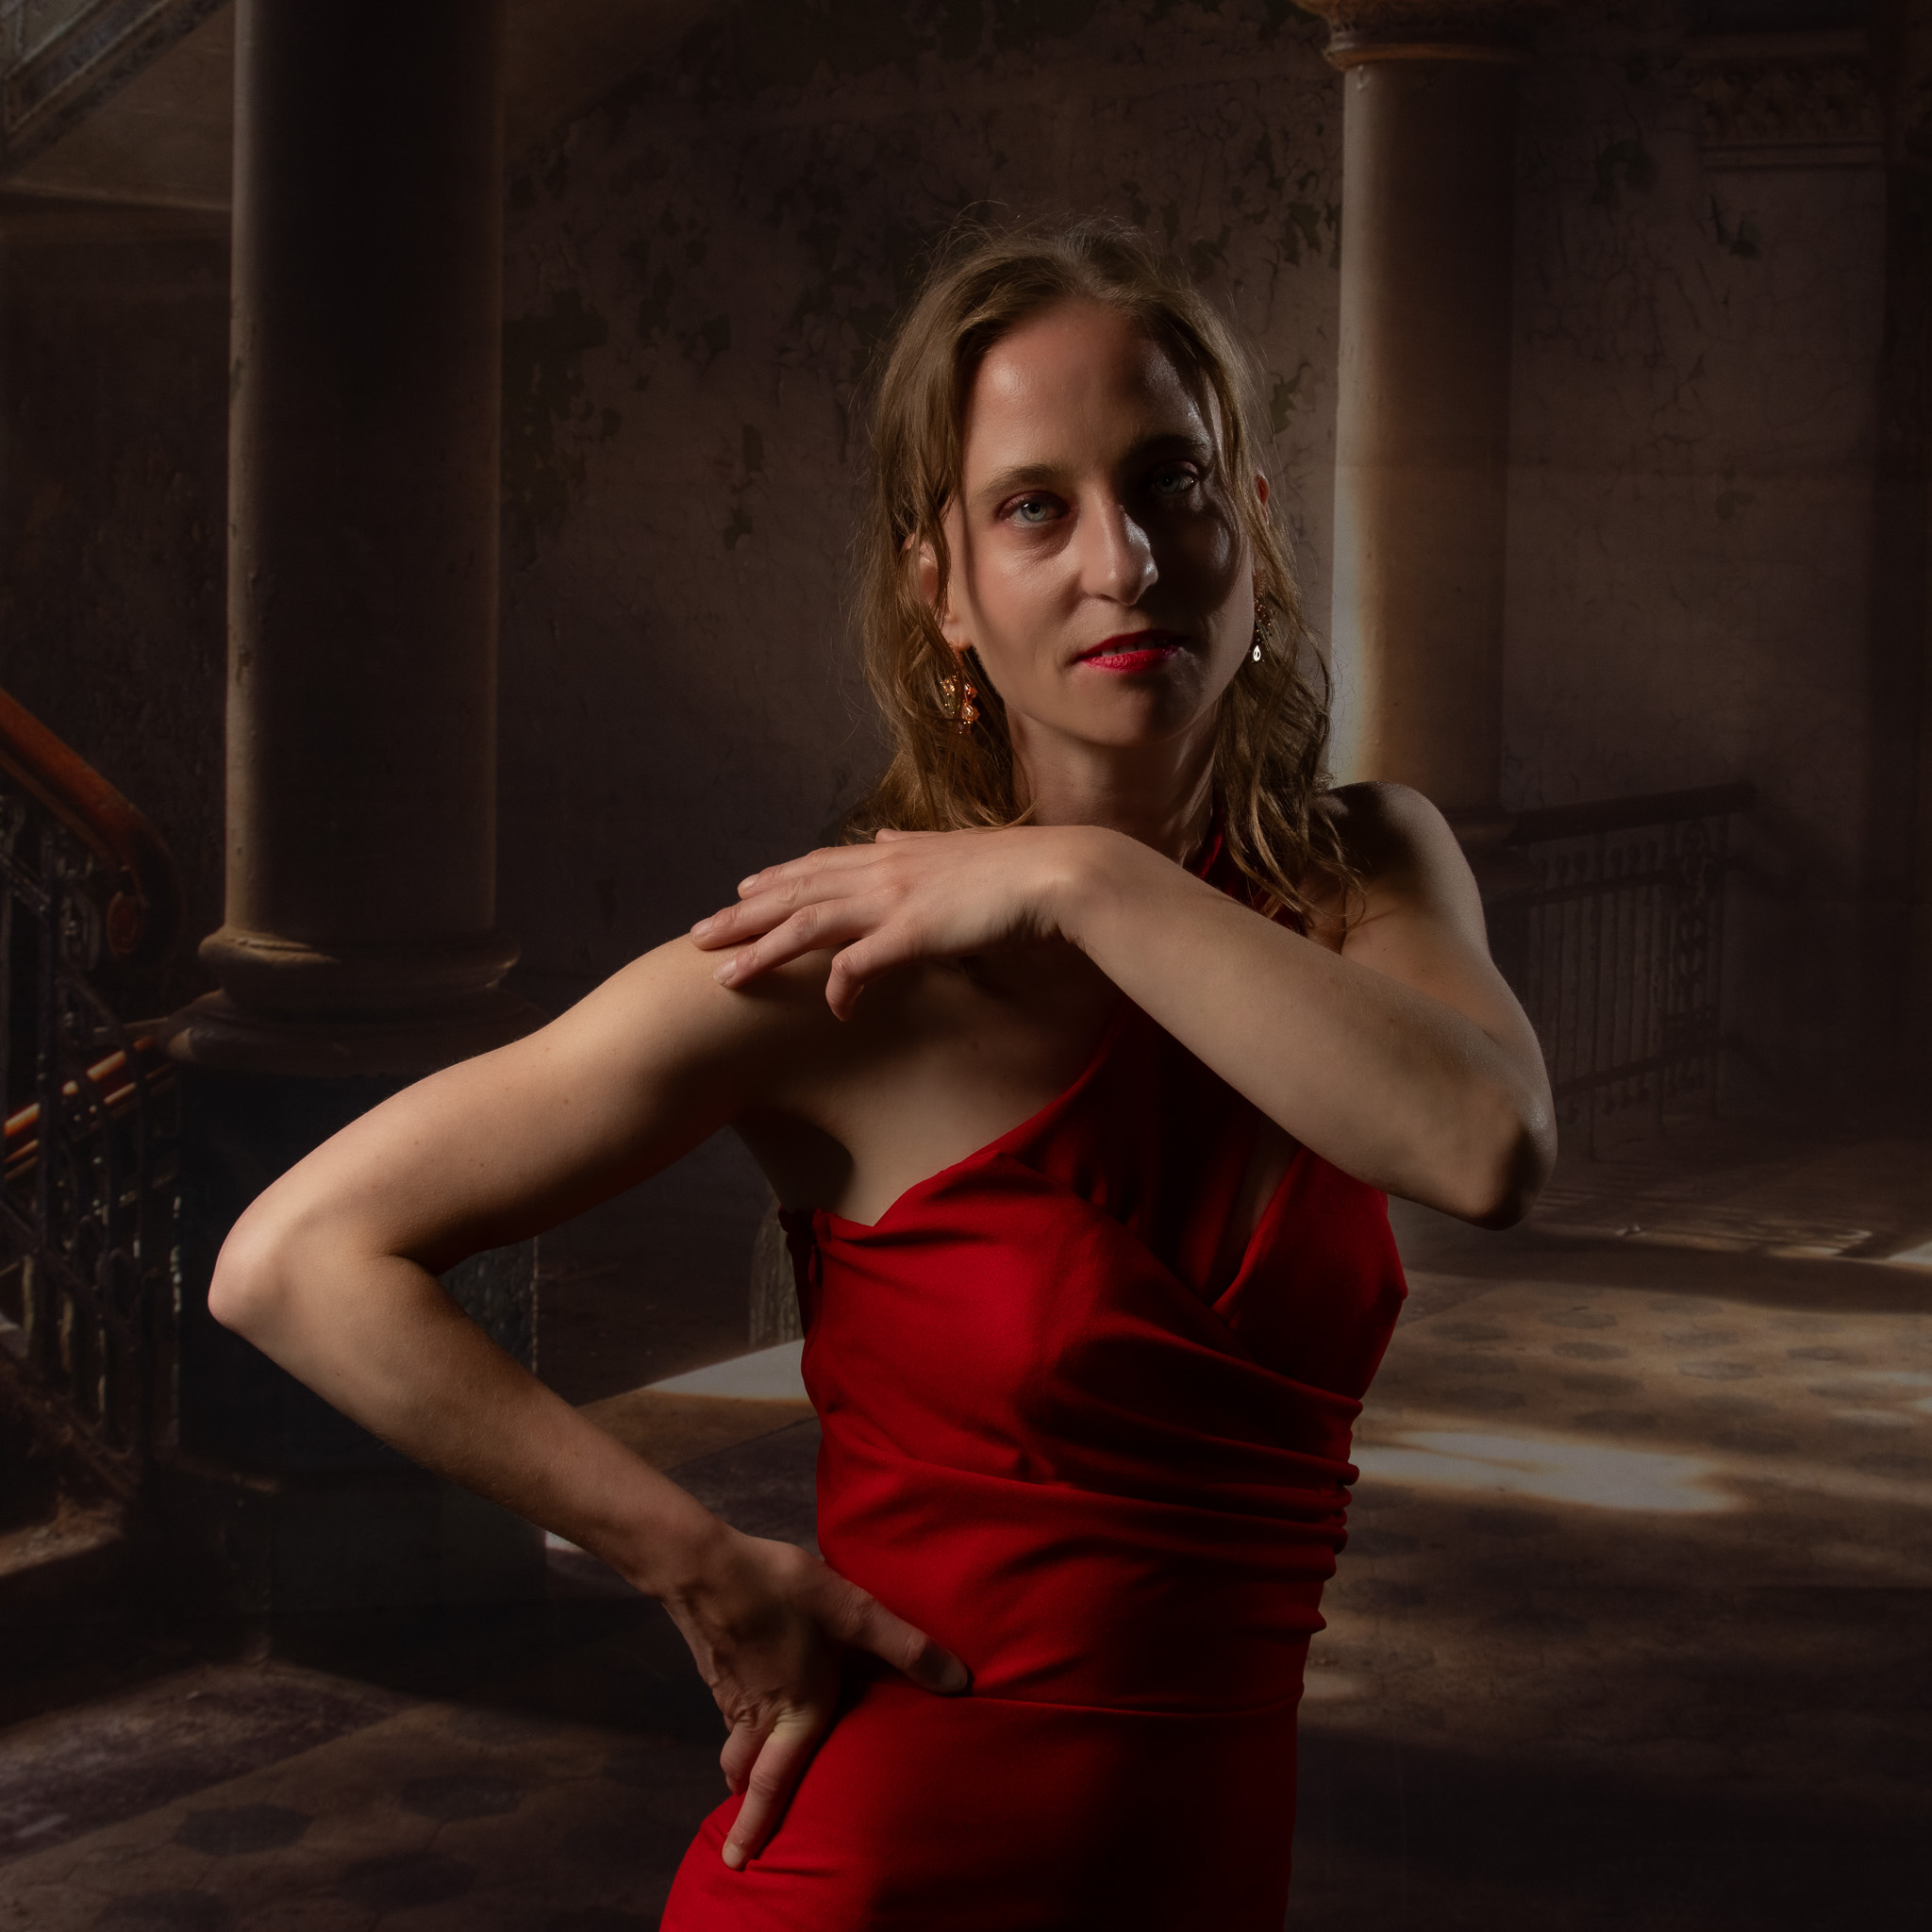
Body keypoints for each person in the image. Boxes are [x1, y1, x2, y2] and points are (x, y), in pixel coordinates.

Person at [210, 220, 1555, 1929]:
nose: (1126, 560)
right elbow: (293, 1260)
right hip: (879, 1880)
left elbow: (1487, 1146)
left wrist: (1082, 878)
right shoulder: (843, 970)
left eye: (1171, 481)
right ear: (944, 592)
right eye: (1034, 508)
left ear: (1254, 527)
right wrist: (691, 1562)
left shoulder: (1371, 869)